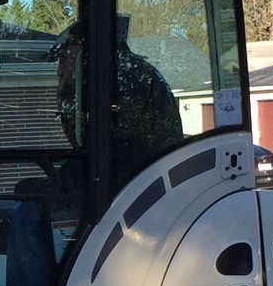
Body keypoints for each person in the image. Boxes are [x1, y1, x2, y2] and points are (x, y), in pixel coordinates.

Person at [52, 20, 185, 192]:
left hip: (136, 185)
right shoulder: (118, 74)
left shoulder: (119, 79)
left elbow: (113, 150)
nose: (60, 70)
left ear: (83, 51)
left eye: (64, 58)